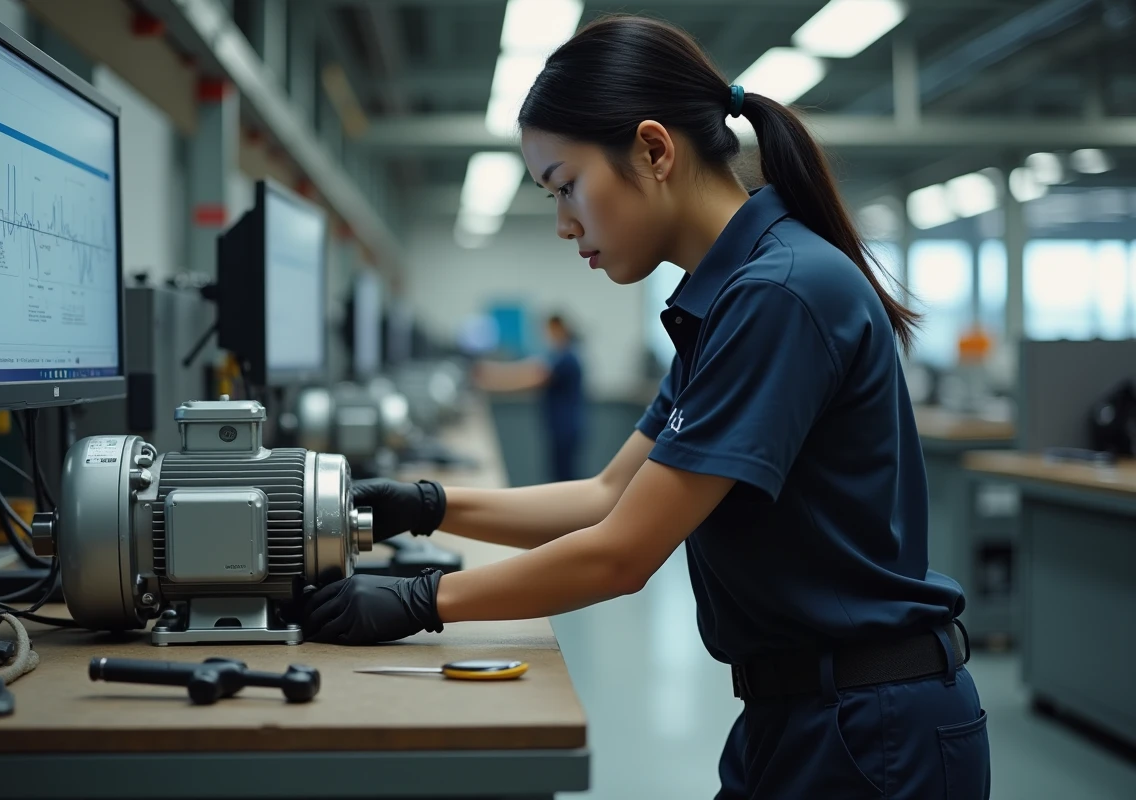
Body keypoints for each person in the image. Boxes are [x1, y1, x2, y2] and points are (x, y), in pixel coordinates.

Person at [301, 15, 989, 800]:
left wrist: (417, 601)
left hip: (870, 734)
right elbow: (608, 497)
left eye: (566, 186)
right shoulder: (723, 301)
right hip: (799, 713)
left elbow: (622, 554)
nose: (564, 224)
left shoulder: (777, 295)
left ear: (655, 151)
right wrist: (425, 505)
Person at [472, 313, 586, 482]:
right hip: (559, 426)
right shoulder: (558, 355)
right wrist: (492, 372)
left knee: (565, 477)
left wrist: (491, 384)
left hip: (566, 427)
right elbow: (527, 368)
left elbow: (533, 378)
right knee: (559, 474)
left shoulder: (566, 358)